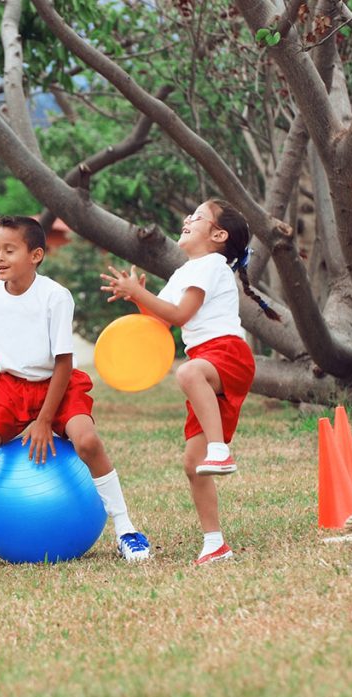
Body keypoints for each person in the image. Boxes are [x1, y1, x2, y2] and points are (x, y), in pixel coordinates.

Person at [0, 215, 150, 573]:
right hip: (8, 388)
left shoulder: (55, 297)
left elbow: (63, 362)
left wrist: (43, 420)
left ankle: (125, 530)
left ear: (36, 255)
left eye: (10, 250)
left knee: (86, 441)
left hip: (58, 383)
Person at [101, 198, 280, 565]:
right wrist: (138, 297)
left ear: (218, 235)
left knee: (187, 372)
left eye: (197, 216)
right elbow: (161, 320)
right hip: (205, 362)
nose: (186, 218)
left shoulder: (212, 265)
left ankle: (221, 449)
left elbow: (182, 314)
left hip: (226, 354)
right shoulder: (185, 273)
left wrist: (139, 293)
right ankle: (215, 543)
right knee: (192, 462)